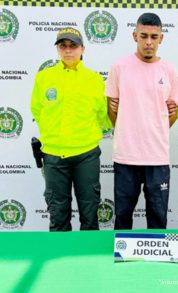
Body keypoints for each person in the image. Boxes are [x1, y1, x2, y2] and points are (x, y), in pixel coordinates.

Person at [106, 13, 178, 230]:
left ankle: (156, 261)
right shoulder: (119, 67)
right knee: (122, 215)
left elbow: (172, 114)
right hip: (126, 156)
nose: (148, 42)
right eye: (144, 36)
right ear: (134, 36)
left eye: (154, 37)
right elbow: (113, 113)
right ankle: (121, 259)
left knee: (158, 216)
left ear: (161, 39)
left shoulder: (170, 70)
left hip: (157, 157)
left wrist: (153, 128)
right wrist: (129, 126)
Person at [30, 27, 110, 231]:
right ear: (57, 49)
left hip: (86, 155)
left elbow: (103, 116)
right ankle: (59, 261)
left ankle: (88, 260)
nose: (68, 51)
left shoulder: (94, 79)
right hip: (54, 156)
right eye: (63, 46)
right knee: (58, 215)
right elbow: (37, 111)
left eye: (73, 46)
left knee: (90, 213)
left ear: (82, 48)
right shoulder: (44, 78)